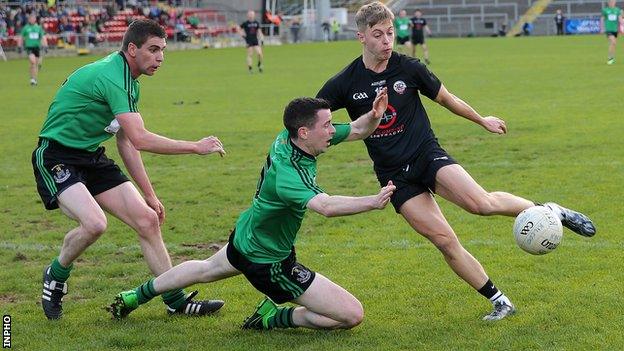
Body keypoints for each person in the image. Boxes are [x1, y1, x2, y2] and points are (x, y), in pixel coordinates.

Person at [316, 2, 596, 322]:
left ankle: (551, 210)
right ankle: (500, 301)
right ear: (361, 37)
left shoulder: (409, 68)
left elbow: (447, 99)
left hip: (426, 154)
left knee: (481, 204)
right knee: (445, 242)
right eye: (377, 35)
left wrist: (482, 120)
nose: (386, 41)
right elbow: (315, 116)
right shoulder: (345, 82)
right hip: (395, 176)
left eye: (390, 33)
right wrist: (333, 135)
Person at [108, 92, 395, 330]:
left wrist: (374, 115)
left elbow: (357, 130)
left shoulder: (290, 136)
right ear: (305, 132)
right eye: (328, 126)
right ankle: (273, 317)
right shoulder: (289, 174)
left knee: (206, 268)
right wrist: (373, 200)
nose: (333, 131)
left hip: (247, 236)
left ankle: (135, 295)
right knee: (351, 315)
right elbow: (326, 206)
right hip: (269, 262)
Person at [32, 19, 226, 320]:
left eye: (163, 50)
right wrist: (195, 146)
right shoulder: (114, 77)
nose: (160, 57)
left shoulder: (129, 81)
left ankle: (175, 300)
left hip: (91, 156)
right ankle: (55, 274)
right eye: (153, 49)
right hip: (56, 156)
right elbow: (140, 138)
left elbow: (126, 143)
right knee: (95, 223)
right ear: (132, 49)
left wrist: (150, 195)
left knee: (148, 220)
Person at [18, 14, 47, 86]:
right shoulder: (26, 28)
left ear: (35, 19)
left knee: (35, 64)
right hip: (29, 47)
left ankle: (34, 79)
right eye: (30, 19)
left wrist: (45, 46)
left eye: (33, 18)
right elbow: (21, 37)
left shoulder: (38, 28)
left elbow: (42, 37)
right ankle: (32, 79)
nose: (32, 20)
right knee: (33, 62)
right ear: (29, 20)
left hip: (37, 48)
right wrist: (19, 46)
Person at [601, 0, 623, 65]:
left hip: (615, 30)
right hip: (608, 29)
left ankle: (611, 57)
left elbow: (620, 20)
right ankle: (610, 58)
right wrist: (602, 28)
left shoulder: (617, 10)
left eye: (613, 2)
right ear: (608, 3)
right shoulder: (605, 10)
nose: (612, 3)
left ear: (615, 2)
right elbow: (602, 19)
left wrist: (622, 22)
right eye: (610, 2)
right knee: (613, 42)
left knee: (613, 44)